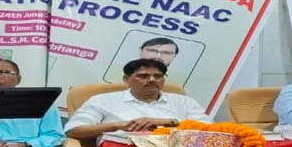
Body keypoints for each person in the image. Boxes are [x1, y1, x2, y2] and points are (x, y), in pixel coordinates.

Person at [65, 59, 211, 139]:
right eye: (143, 76)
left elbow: (209, 130)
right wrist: (116, 126)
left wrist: (168, 122)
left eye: (158, 76)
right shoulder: (102, 100)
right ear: (126, 79)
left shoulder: (183, 101)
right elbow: (73, 131)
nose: (152, 80)